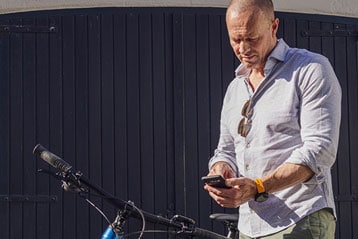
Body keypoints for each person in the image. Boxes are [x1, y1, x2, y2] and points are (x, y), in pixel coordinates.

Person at [204, 0, 341, 238]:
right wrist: (221, 168)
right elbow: (226, 149)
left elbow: (321, 150)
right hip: (249, 226)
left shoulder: (310, 69)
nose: (243, 48)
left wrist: (258, 187)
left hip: (302, 219)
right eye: (236, 40)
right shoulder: (235, 88)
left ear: (274, 27)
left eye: (252, 38)